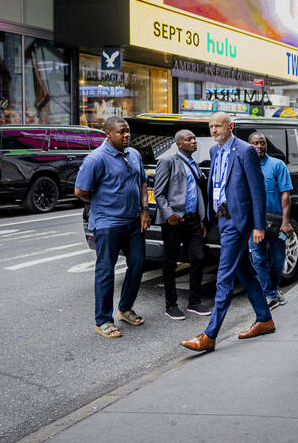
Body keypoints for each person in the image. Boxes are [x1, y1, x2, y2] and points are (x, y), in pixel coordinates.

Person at [181, 112, 274, 352]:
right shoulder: (214, 151)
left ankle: (209, 335)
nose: (213, 130)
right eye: (210, 126)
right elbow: (216, 185)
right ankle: (265, 319)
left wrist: (258, 226)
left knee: (224, 276)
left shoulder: (245, 150)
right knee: (245, 270)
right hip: (222, 219)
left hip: (238, 222)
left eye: (218, 126)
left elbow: (257, 191)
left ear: (230, 126)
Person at [75, 116, 150, 339]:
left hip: (133, 221)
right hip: (108, 224)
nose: (126, 135)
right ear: (108, 133)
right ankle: (103, 320)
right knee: (105, 271)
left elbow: (142, 181)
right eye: (121, 132)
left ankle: (125, 308)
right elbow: (81, 191)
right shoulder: (95, 159)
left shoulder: (134, 154)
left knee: (138, 264)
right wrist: (105, 203)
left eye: (128, 131)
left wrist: (144, 209)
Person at [153, 129, 211, 320]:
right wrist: (169, 215)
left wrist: (201, 220)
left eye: (194, 139)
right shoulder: (167, 161)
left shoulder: (194, 163)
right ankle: (171, 305)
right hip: (174, 221)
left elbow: (198, 194)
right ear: (179, 144)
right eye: (188, 139)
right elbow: (159, 192)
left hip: (193, 220)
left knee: (198, 258)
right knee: (170, 262)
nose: (194, 141)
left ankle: (194, 302)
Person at [247, 131, 294, 309]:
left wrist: (285, 221)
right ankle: (270, 294)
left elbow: (285, 195)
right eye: (255, 143)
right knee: (258, 259)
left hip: (276, 222)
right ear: (249, 145)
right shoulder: (245, 164)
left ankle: (273, 290)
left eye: (262, 143)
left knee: (279, 259)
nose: (259, 146)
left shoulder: (277, 165)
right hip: (254, 222)